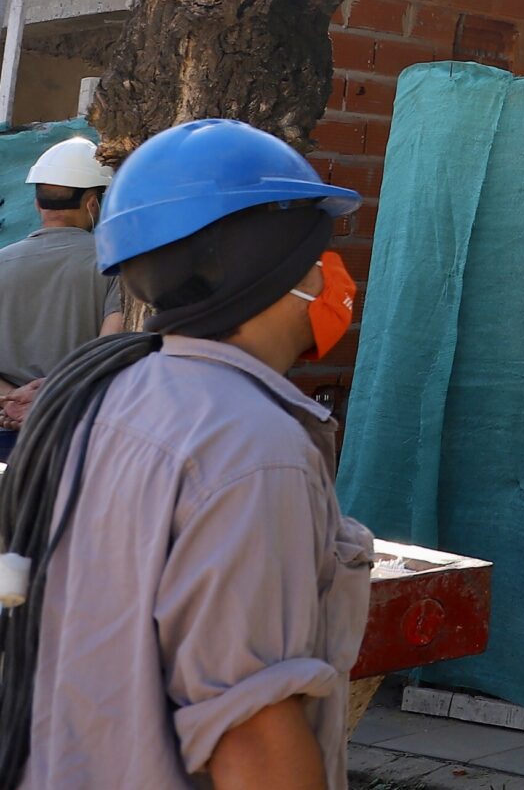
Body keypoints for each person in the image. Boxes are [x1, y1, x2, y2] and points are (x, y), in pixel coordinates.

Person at [6, 118, 371, 790]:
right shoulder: (252, 447)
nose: (335, 278)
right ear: (273, 262)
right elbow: (253, 734)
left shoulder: (106, 398)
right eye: (321, 256)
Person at [0, 140, 119, 445]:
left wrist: (14, 399)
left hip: (6, 425)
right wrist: (48, 400)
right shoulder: (115, 264)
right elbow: (110, 350)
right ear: (93, 204)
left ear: (38, 204)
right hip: (72, 430)